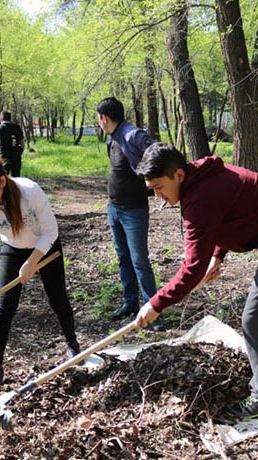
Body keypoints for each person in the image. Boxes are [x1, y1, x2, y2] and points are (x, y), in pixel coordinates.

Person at [133, 143, 258, 420]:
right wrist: (217, 255)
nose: (157, 196)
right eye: (151, 190)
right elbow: (231, 212)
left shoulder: (199, 198)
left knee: (255, 320)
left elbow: (192, 268)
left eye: (158, 187)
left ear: (179, 175)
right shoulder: (203, 178)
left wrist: (156, 303)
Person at [0, 155, 80, 387]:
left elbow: (51, 231)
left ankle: (73, 345)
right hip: (13, 248)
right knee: (5, 306)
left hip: (44, 247)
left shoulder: (30, 191)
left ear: (2, 181)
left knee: (57, 299)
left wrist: (33, 262)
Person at [96, 97, 163, 331]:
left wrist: (150, 183)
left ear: (104, 118)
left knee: (140, 261)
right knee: (123, 257)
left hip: (134, 210)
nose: (99, 122)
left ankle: (153, 310)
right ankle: (130, 302)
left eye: (98, 118)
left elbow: (158, 156)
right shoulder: (112, 139)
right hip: (114, 208)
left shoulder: (133, 135)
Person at [0, 110, 24, 177]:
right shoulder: (17, 128)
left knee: (3, 178)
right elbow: (22, 143)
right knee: (16, 178)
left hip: (5, 157)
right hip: (16, 157)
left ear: (1, 118)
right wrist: (19, 152)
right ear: (10, 118)